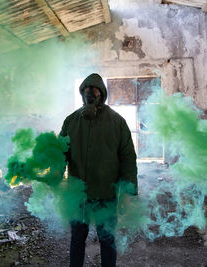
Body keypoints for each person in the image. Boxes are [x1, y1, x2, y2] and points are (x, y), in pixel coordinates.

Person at [59, 73, 138, 267]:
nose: (90, 94)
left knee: (107, 239)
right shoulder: (71, 121)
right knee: (77, 239)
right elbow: (61, 153)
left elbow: (128, 158)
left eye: (94, 90)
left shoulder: (117, 122)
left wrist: (127, 194)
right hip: (79, 196)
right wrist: (54, 174)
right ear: (81, 93)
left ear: (102, 93)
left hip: (106, 194)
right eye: (86, 90)